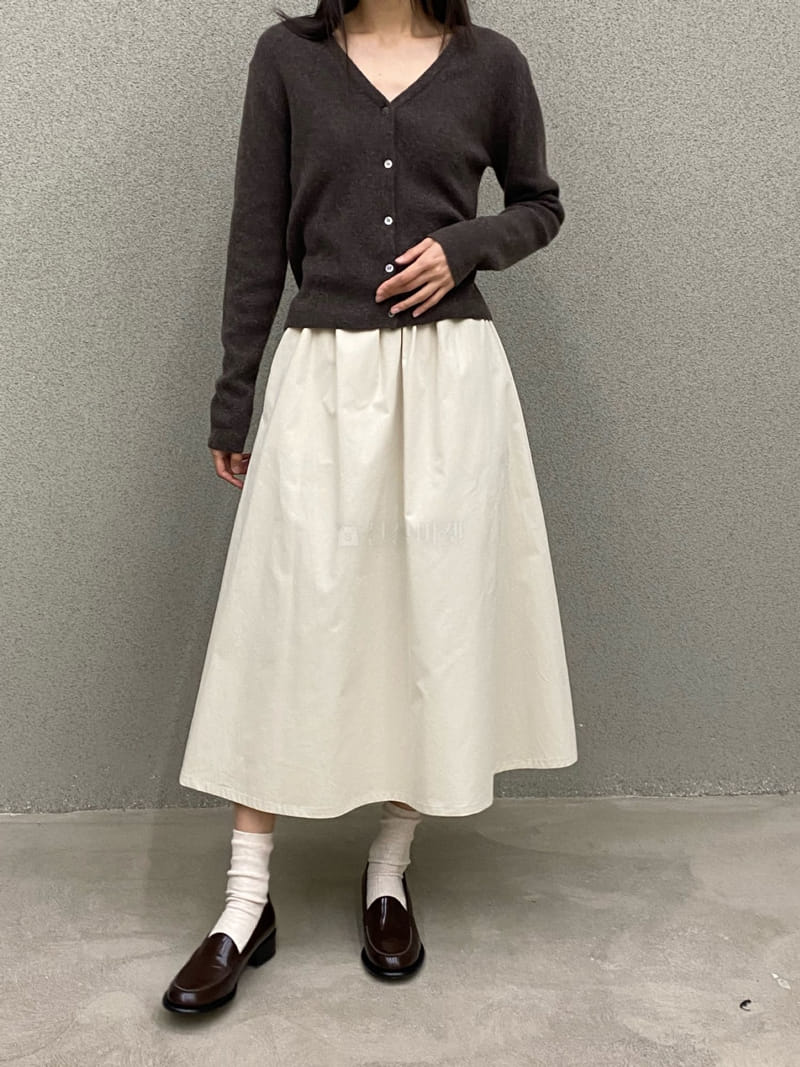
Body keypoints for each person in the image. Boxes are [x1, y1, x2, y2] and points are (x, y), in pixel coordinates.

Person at [162, 0, 578, 1013]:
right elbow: (256, 236)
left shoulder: (491, 65)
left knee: (431, 618)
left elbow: (540, 203)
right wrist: (234, 394)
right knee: (288, 617)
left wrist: (467, 245)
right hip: (323, 377)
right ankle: (244, 900)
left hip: (450, 384)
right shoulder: (287, 60)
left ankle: (388, 869)